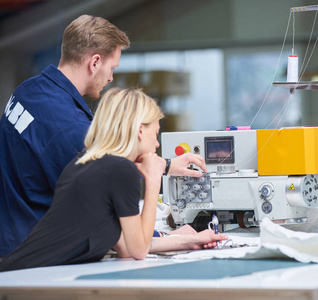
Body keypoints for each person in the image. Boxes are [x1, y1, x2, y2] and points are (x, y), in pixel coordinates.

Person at [0, 88, 228, 272]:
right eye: (155, 134)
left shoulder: (88, 163)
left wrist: (193, 240)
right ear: (140, 130)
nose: (157, 144)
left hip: (23, 271)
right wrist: (152, 180)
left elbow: (126, 247)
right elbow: (138, 251)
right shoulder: (120, 170)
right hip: (28, 281)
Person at [0, 15, 130, 257]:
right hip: (33, 256)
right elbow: (108, 225)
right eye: (112, 68)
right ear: (95, 62)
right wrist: (169, 237)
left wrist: (163, 166)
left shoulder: (28, 90)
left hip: (10, 234)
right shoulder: (70, 127)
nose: (111, 78)